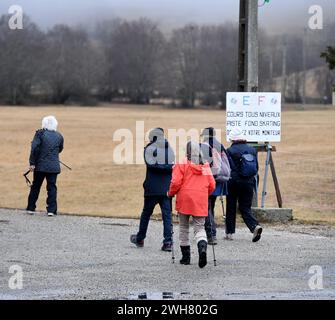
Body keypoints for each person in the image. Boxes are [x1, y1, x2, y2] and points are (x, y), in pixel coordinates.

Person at [168, 141, 215, 268]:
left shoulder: (182, 163)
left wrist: (170, 193)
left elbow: (176, 182)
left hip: (185, 199)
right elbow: (212, 185)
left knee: (184, 228)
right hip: (200, 199)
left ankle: (186, 257)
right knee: (200, 228)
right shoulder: (205, 165)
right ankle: (202, 249)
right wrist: (205, 193)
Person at [130, 128, 175, 251]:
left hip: (152, 188)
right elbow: (172, 166)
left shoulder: (149, 149)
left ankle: (140, 238)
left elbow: (151, 165)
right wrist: (167, 167)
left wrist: (161, 166)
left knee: (146, 214)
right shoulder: (169, 148)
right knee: (167, 216)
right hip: (166, 188)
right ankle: (168, 242)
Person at [225, 128, 263, 242]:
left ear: (233, 139)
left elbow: (227, 168)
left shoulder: (230, 150)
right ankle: (254, 226)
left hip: (233, 182)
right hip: (249, 182)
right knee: (245, 207)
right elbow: (256, 168)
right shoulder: (252, 150)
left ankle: (229, 233)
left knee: (231, 206)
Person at [26, 116, 64, 217]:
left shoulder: (40, 134)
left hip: (40, 166)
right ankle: (51, 210)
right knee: (52, 187)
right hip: (54, 167)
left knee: (36, 186)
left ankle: (31, 208)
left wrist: (32, 163)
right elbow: (60, 149)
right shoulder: (59, 136)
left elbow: (34, 147)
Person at [200, 127, 230, 245]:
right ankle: (210, 231)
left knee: (206, 208)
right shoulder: (220, 145)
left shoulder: (204, 146)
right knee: (210, 205)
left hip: (208, 179)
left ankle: (211, 234)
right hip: (219, 180)